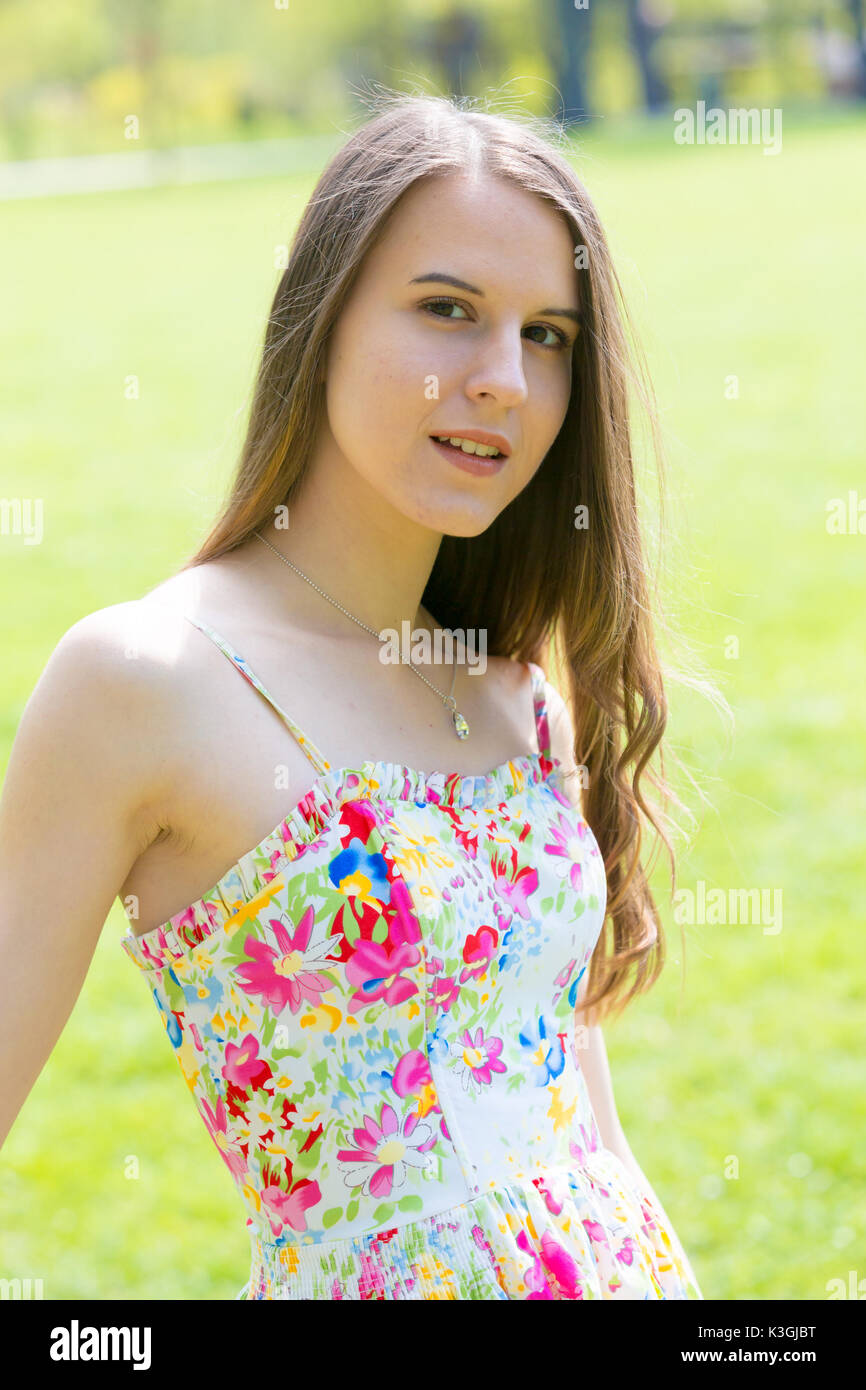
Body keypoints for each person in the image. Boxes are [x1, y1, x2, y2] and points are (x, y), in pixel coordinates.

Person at [0, 92, 717, 1299]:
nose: (502, 378)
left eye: (546, 335)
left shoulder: (514, 694)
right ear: (320, 320)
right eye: (447, 311)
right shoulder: (147, 678)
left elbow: (582, 1129)